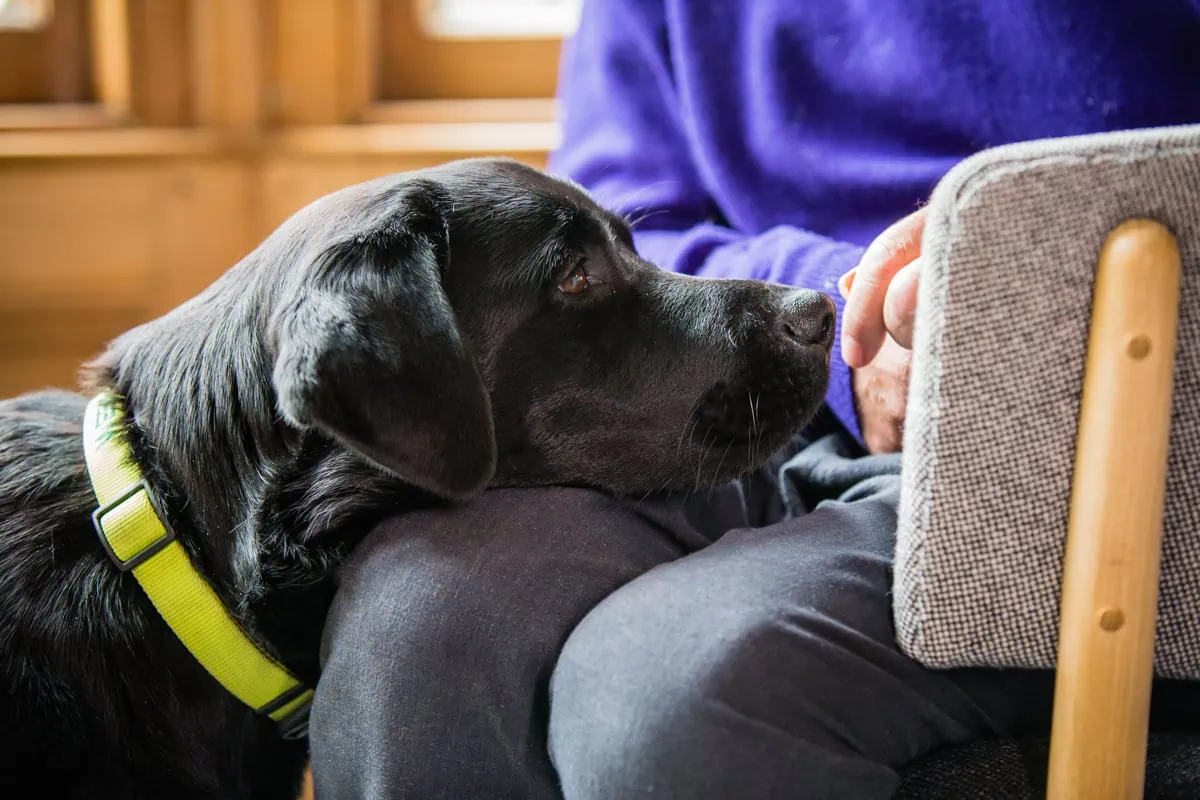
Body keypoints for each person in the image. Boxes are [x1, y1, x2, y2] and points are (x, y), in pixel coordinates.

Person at [308, 1, 1200, 797]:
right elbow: (616, 222)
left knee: (659, 695)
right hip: (752, 401)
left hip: (1090, 438)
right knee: (419, 621)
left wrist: (1007, 253)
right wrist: (839, 307)